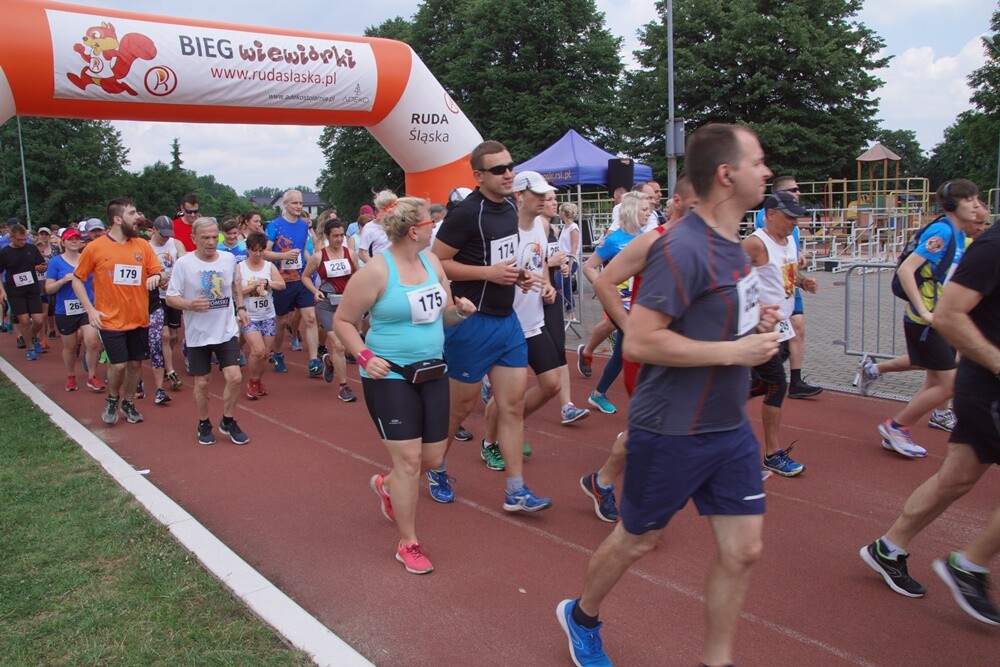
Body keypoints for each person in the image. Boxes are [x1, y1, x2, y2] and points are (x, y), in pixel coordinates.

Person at [557, 123, 781, 667]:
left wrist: (752, 323)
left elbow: (716, 319)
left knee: (744, 550)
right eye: (757, 162)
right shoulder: (681, 247)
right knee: (638, 538)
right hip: (672, 427)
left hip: (728, 428)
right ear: (726, 174)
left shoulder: (734, 247)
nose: (767, 171)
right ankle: (581, 615)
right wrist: (734, 351)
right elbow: (640, 340)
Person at [859, 217, 1000, 625]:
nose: (978, 208)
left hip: (978, 383)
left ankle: (888, 548)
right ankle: (970, 565)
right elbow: (948, 310)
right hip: (987, 385)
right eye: (971, 200)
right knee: (938, 382)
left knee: (954, 480)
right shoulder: (988, 245)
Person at [333, 197, 476, 575]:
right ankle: (408, 542)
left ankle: (387, 485)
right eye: (431, 223)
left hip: (432, 371)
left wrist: (459, 312)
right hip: (390, 375)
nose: (436, 227)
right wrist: (365, 356)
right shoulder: (376, 272)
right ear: (414, 231)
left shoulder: (432, 263)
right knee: (410, 462)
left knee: (432, 457)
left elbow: (441, 316)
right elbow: (343, 321)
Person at [430, 140, 551, 512]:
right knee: (460, 408)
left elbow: (503, 260)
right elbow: (436, 262)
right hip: (472, 323)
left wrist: (518, 276)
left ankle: (516, 490)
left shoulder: (510, 207)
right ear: (479, 176)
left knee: (511, 407)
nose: (508, 174)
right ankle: (436, 467)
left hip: (507, 321)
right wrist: (489, 273)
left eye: (510, 166)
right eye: (498, 169)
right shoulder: (466, 213)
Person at [579, 173, 698, 523]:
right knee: (658, 430)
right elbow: (603, 280)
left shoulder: (703, 245)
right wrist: (630, 328)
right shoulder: (650, 242)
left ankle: (602, 483)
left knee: (657, 429)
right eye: (699, 204)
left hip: (681, 350)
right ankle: (636, 503)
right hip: (649, 350)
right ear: (678, 203)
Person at [858, 180, 982, 457]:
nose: (975, 205)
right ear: (951, 204)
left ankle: (899, 430)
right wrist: (924, 311)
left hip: (940, 321)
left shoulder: (959, 234)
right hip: (925, 323)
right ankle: (895, 427)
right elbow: (906, 269)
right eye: (969, 200)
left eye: (977, 199)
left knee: (934, 383)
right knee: (949, 384)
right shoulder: (943, 231)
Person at [479, 172, 582, 469]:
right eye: (537, 194)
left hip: (534, 320)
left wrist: (547, 285)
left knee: (550, 384)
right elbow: (493, 272)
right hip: (506, 323)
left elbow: (540, 263)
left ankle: (510, 426)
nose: (544, 199)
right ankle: (490, 443)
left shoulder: (542, 225)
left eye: (546, 194)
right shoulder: (504, 229)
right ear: (519, 196)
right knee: (506, 395)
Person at [744, 191, 818, 477]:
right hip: (757, 328)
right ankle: (772, 454)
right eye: (789, 217)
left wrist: (802, 281)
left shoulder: (788, 241)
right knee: (777, 382)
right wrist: (755, 307)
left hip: (781, 326)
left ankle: (713, 407)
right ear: (770, 215)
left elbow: (786, 275)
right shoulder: (755, 243)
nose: (794, 222)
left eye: (796, 217)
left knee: (760, 381)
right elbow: (726, 276)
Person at [72, 198, 163, 426]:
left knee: (135, 364)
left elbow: (160, 273)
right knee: (119, 364)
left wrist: (157, 277)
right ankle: (112, 398)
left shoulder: (142, 245)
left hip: (139, 318)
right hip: (110, 319)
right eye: (132, 213)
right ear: (117, 219)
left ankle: (128, 402)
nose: (138, 217)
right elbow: (77, 279)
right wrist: (90, 310)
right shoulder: (95, 247)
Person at [166, 217, 251, 445]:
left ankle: (228, 420)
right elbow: (171, 298)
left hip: (225, 330)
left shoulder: (228, 259)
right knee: (202, 382)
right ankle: (204, 422)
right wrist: (189, 304)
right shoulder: (184, 264)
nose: (211, 242)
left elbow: (235, 285)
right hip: (198, 334)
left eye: (215, 237)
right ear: (194, 239)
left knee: (235, 377)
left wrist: (241, 308)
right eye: (205, 238)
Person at [580, 191, 651, 415]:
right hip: (620, 305)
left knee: (622, 352)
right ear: (631, 211)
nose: (649, 214)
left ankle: (599, 393)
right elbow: (588, 266)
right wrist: (604, 289)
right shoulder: (614, 240)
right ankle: (643, 401)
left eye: (649, 210)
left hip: (639, 304)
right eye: (644, 209)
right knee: (635, 348)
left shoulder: (646, 238)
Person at [753, 176, 822, 398]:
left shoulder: (791, 235)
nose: (798, 192)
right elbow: (735, 272)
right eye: (793, 189)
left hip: (786, 295)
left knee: (791, 337)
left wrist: (801, 280)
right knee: (774, 374)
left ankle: (789, 381)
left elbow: (786, 261)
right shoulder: (760, 232)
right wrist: (754, 304)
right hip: (768, 307)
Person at [263, 189, 322, 377]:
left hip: (302, 278)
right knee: (281, 322)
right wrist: (284, 256)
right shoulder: (274, 225)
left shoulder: (304, 226)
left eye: (301, 203)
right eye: (295, 203)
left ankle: (313, 361)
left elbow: (303, 250)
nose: (299, 206)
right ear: (285, 204)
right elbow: (264, 253)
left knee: (310, 317)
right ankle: (278, 353)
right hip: (282, 280)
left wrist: (313, 264)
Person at [304, 218, 358, 402]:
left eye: (342, 235)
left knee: (347, 347)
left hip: (346, 304)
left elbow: (358, 275)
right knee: (339, 345)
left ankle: (329, 361)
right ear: (328, 236)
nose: (339, 239)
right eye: (335, 236)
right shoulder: (319, 256)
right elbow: (305, 276)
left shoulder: (350, 254)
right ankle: (344, 387)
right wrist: (315, 291)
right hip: (326, 304)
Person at [46, 227, 103, 391]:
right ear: (63, 242)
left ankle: (92, 376)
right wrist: (63, 280)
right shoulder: (55, 262)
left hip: (87, 307)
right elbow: (49, 289)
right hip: (65, 310)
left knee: (93, 342)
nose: (74, 241)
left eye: (77, 239)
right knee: (70, 347)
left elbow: (95, 282)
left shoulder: (87, 258)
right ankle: (71, 375)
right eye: (70, 239)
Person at [237, 231, 285, 400]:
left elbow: (282, 285)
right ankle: (251, 382)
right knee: (257, 350)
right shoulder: (240, 267)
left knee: (265, 353)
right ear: (248, 249)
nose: (257, 254)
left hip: (268, 315)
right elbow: (236, 290)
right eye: (254, 250)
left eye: (261, 250)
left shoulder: (269, 266)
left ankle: (258, 381)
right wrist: (253, 286)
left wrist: (267, 283)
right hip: (249, 316)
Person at [0, 223, 48, 360]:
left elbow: (42, 265)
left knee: (38, 320)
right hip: (15, 291)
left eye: (24, 239)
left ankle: (32, 338)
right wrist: (2, 291)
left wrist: (41, 268)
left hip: (32, 289)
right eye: (19, 239)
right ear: (11, 238)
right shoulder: (5, 253)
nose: (22, 242)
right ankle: (30, 348)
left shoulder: (31, 248)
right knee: (25, 320)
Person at [149, 215, 186, 392]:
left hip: (173, 294)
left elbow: (184, 262)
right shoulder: (147, 247)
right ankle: (170, 371)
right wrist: (156, 280)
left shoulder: (176, 244)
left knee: (172, 336)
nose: (166, 238)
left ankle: (164, 360)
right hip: (156, 295)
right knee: (164, 335)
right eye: (162, 234)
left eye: (168, 234)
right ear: (153, 230)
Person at [555, 202, 581, 319]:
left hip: (569, 261)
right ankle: (571, 312)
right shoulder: (565, 227)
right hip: (563, 261)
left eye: (560, 211)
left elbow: (574, 247)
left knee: (558, 283)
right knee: (566, 286)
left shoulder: (573, 228)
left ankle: (566, 310)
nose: (558, 213)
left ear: (564, 213)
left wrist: (570, 265)